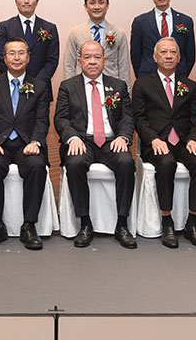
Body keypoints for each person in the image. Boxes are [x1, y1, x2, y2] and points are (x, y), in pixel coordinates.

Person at [55, 41, 136, 249]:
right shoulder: (68, 86)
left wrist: (123, 137)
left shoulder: (118, 86)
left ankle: (122, 224)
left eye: (97, 57)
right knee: (74, 163)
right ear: (80, 61)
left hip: (111, 142)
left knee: (126, 163)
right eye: (87, 57)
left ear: (104, 60)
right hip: (83, 141)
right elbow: (61, 119)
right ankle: (85, 223)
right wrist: (72, 138)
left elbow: (127, 118)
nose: (92, 61)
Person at [132, 38, 196, 248]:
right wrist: (153, 139)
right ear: (155, 57)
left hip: (183, 142)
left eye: (173, 52)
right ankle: (167, 221)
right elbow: (139, 119)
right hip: (156, 142)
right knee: (167, 164)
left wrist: (193, 139)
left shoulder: (190, 85)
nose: (168, 56)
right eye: (163, 52)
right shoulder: (142, 84)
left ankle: (192, 222)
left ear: (179, 57)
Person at [0, 38, 51, 250]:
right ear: (4, 57)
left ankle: (29, 225)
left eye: (21, 53)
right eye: (12, 53)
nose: (16, 57)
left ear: (28, 58)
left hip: (26, 144)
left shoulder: (39, 86)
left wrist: (36, 141)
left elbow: (42, 119)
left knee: (37, 165)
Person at [63, 0, 132, 90]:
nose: (96, 7)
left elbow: (124, 68)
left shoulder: (118, 33)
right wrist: (70, 91)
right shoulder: (75, 33)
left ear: (107, 5)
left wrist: (126, 93)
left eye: (101, 2)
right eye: (92, 3)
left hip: (111, 88)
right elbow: (69, 65)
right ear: (85, 6)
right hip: (81, 88)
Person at [130, 0, 195, 78]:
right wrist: (143, 78)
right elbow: (136, 55)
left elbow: (190, 55)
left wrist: (182, 74)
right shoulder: (140, 22)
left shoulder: (185, 21)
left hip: (178, 75)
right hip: (148, 77)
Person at [0, 0, 59, 84]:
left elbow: (52, 61)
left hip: (42, 86)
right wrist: (17, 80)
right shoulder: (4, 27)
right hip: (12, 85)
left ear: (37, 1)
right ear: (16, 0)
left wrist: (37, 84)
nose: (26, 1)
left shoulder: (49, 28)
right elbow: (1, 58)